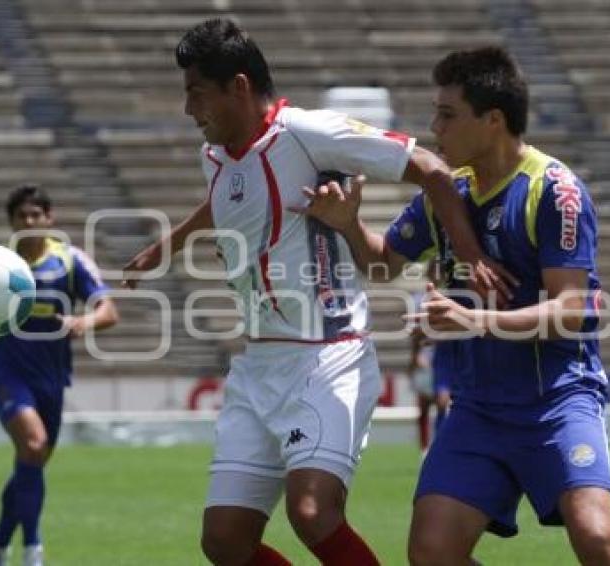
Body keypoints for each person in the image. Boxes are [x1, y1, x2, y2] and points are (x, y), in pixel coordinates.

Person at [121, 18, 509, 566]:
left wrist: (471, 256)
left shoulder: (308, 133)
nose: (189, 110)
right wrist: (173, 241)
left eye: (195, 93)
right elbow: (232, 196)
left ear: (238, 86)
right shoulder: (214, 156)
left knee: (312, 513)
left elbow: (430, 169)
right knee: (225, 542)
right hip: (258, 364)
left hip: (328, 355)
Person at [299, 47, 610, 565]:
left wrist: (475, 319)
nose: (434, 128)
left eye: (447, 114)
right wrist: (347, 224)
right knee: (431, 554)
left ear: (493, 120)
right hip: (478, 410)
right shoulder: (447, 192)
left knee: (597, 541)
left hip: (557, 402)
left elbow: (575, 310)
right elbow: (383, 264)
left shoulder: (554, 191)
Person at [0, 185, 119, 566]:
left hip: (51, 377)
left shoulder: (70, 260)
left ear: (50, 219)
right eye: (22, 216)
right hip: (6, 372)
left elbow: (109, 311)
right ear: (12, 222)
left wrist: (85, 320)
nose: (30, 222)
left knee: (31, 460)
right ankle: (32, 549)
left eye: (37, 215)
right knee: (33, 446)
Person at [407, 261, 452, 452]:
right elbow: (416, 332)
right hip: (427, 356)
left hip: (448, 356)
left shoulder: (453, 295)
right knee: (424, 404)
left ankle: (440, 446)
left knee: (443, 402)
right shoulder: (419, 299)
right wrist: (415, 356)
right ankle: (424, 449)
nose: (436, 273)